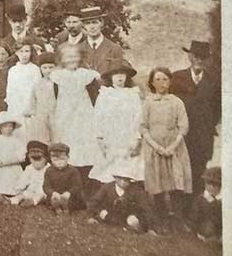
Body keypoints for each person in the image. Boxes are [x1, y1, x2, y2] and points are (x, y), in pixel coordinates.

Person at [140, 66, 192, 225]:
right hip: (154, 149)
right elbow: (143, 127)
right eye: (157, 79)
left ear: (170, 81)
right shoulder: (148, 102)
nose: (162, 83)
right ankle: (160, 219)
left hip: (175, 149)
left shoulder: (177, 102)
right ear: (152, 83)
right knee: (157, 184)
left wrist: (172, 147)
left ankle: (177, 219)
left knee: (177, 183)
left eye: (165, 79)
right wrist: (156, 147)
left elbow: (184, 127)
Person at [169, 40, 220, 194]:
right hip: (181, 137)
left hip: (203, 138)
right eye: (196, 57)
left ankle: (194, 212)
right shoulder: (177, 77)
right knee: (179, 174)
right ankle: (178, 213)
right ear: (190, 57)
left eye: (203, 58)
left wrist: (207, 126)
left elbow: (217, 109)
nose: (199, 61)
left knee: (198, 174)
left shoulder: (214, 81)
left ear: (207, 60)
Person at [50, 44, 104, 181]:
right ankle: (67, 177)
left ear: (80, 57)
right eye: (68, 57)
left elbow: (94, 97)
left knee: (85, 144)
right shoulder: (57, 76)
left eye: (74, 56)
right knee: (67, 143)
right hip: (65, 114)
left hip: (83, 114)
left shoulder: (85, 74)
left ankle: (86, 177)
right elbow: (54, 97)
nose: (71, 59)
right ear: (62, 59)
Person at [89, 59, 142, 185]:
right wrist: (100, 137)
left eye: (123, 74)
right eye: (116, 74)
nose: (120, 77)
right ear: (110, 77)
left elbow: (139, 117)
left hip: (128, 135)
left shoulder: (132, 94)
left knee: (128, 166)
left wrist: (137, 138)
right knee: (109, 168)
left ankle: (127, 196)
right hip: (110, 136)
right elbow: (98, 117)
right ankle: (110, 195)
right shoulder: (105, 94)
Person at [87, 160, 156, 234]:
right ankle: (120, 225)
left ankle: (131, 227)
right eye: (120, 178)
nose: (123, 182)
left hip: (129, 215)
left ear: (131, 179)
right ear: (115, 177)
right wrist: (92, 216)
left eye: (126, 179)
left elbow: (146, 208)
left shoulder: (136, 190)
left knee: (132, 221)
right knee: (103, 213)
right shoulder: (107, 187)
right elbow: (94, 201)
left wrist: (150, 228)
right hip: (111, 214)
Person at [0, 112, 27, 202]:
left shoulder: (16, 141)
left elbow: (21, 155)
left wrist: (10, 161)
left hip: (11, 165)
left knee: (12, 177)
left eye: (11, 126)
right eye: (5, 126)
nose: (9, 128)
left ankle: (10, 193)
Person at [5, 37, 42, 129]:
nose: (24, 54)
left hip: (31, 110)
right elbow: (10, 92)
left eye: (27, 51)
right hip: (16, 109)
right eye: (21, 51)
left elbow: (38, 91)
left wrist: (31, 108)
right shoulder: (13, 70)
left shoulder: (35, 69)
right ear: (16, 53)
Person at [79, 6, 124, 78]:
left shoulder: (115, 48)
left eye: (94, 22)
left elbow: (119, 75)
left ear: (101, 23)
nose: (92, 27)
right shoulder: (78, 49)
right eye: (88, 23)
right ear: (84, 26)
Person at [43, 143, 85, 214]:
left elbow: (78, 185)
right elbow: (46, 186)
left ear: (68, 158)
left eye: (62, 159)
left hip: (70, 196)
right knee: (53, 199)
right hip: (56, 195)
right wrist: (53, 193)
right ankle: (57, 207)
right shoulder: (49, 171)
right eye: (55, 160)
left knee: (70, 201)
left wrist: (69, 192)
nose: (59, 162)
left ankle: (66, 207)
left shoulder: (73, 170)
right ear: (51, 159)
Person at [28, 52, 58, 145]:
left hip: (56, 116)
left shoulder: (59, 83)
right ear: (40, 69)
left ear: (56, 68)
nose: (48, 70)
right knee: (43, 138)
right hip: (41, 116)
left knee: (57, 137)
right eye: (44, 68)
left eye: (51, 67)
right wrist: (32, 111)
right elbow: (33, 100)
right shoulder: (37, 84)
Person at [10, 141, 50, 207]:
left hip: (43, 191)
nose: (36, 164)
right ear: (29, 159)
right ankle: (13, 200)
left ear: (46, 159)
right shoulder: (29, 168)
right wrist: (18, 189)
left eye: (39, 160)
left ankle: (32, 202)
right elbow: (23, 179)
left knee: (40, 195)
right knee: (23, 194)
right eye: (33, 160)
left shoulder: (49, 169)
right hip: (31, 190)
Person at [191, 167, 222, 241]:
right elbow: (194, 217)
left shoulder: (220, 200)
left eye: (216, 185)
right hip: (204, 228)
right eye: (208, 184)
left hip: (217, 230)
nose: (211, 187)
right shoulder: (200, 199)